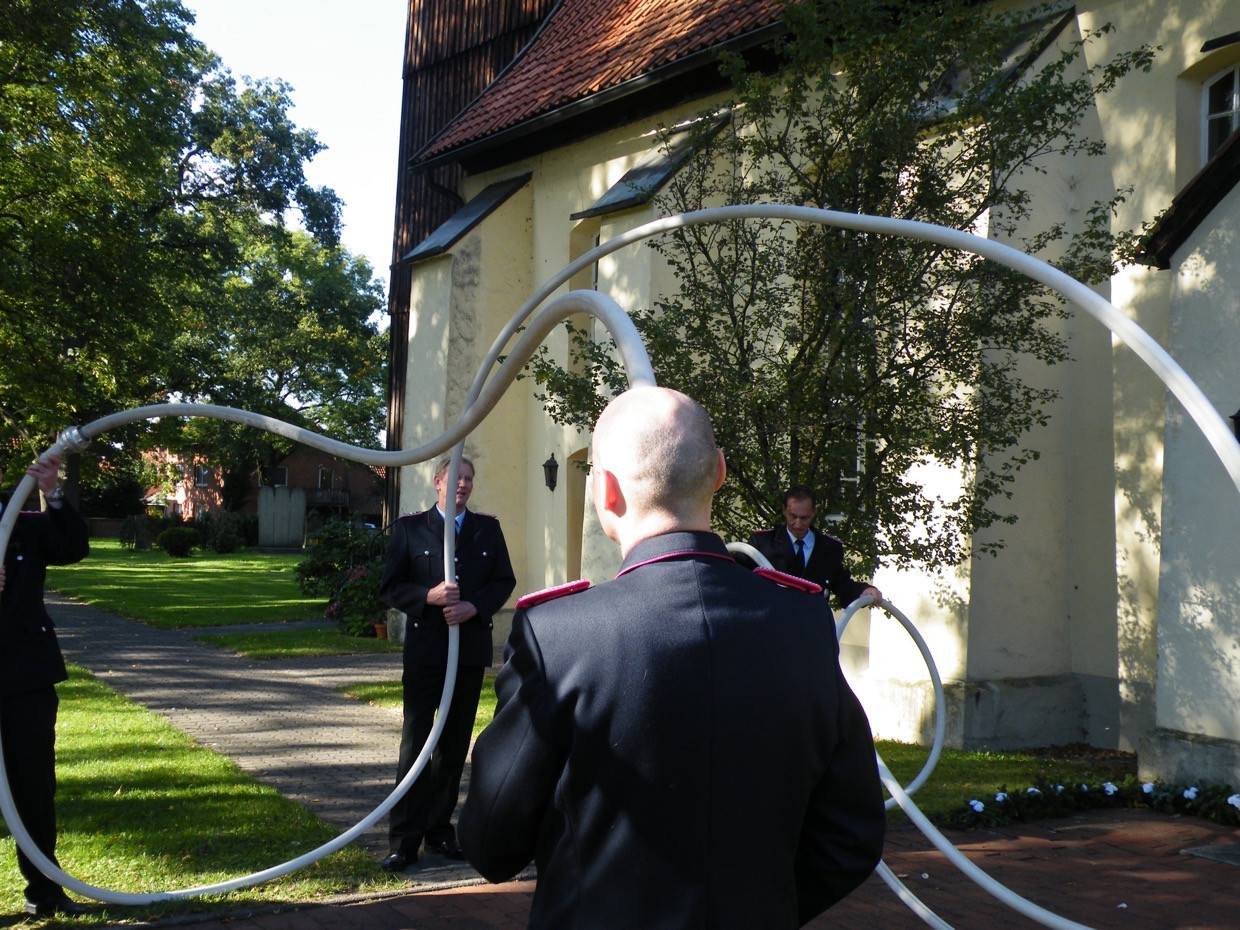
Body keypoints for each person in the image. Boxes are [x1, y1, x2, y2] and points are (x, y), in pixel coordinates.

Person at [459, 387, 885, 928]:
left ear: (605, 491)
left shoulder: (559, 634)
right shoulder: (802, 622)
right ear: (721, 472)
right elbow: (852, 833)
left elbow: (492, 840)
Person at [378, 456, 515, 871]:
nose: (462, 485)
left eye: (469, 479)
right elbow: (390, 587)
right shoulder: (410, 528)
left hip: (469, 652)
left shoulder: (486, 529)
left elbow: (502, 580)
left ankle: (439, 830)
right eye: (456, 478)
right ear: (438, 482)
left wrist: (475, 606)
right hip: (426, 653)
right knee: (417, 743)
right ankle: (405, 840)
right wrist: (428, 598)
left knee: (454, 745)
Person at [0, 454, 90, 918]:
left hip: (24, 676)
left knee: (33, 789)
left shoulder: (19, 521)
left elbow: (73, 546)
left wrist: (52, 491)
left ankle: (45, 892)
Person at [747, 485, 882, 609]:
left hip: (811, 627)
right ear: (784, 510)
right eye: (793, 516)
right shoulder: (762, 543)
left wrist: (865, 590)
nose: (798, 524)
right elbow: (739, 579)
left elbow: (843, 586)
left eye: (804, 518)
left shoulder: (830, 548)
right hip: (772, 625)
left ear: (813, 512)